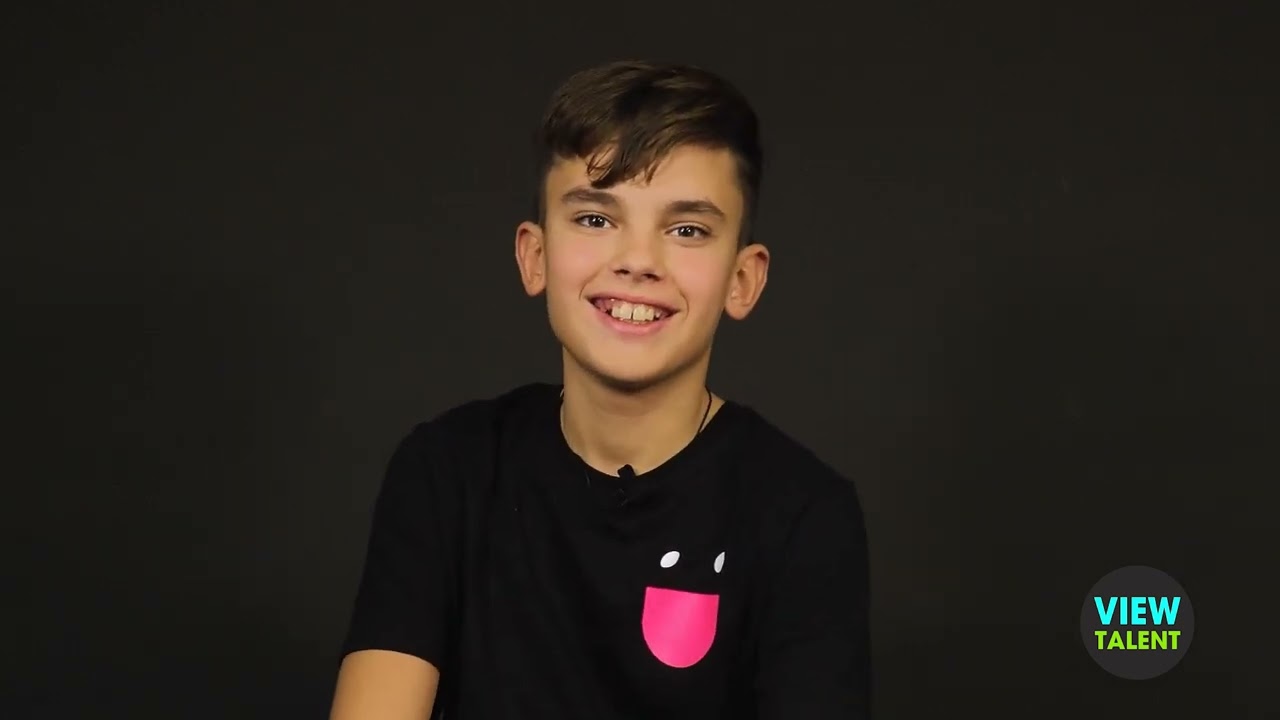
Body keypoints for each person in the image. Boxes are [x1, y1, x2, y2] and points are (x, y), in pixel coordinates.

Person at [330, 59, 871, 719]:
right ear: (535, 256)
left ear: (743, 280)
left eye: (687, 230)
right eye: (594, 219)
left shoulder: (802, 514)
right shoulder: (447, 472)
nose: (638, 260)